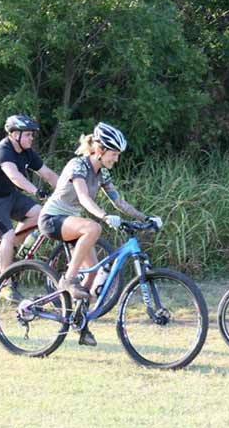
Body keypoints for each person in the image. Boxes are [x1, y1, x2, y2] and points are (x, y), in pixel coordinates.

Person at [38, 122, 162, 346]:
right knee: (93, 227)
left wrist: (146, 218)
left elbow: (119, 201)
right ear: (99, 149)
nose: (116, 159)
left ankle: (80, 323)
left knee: (93, 275)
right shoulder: (78, 165)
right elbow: (84, 198)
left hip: (71, 224)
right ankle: (67, 280)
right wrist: (104, 217)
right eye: (114, 154)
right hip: (52, 219)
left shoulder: (102, 172)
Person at [0, 114, 59, 302]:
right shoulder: (4, 151)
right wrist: (37, 192)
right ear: (14, 135)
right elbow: (14, 176)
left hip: (8, 195)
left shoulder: (27, 152)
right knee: (7, 236)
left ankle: (12, 254)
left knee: (40, 215)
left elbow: (48, 174)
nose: (31, 139)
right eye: (28, 135)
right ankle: (5, 285)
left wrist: (68, 192)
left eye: (32, 135)